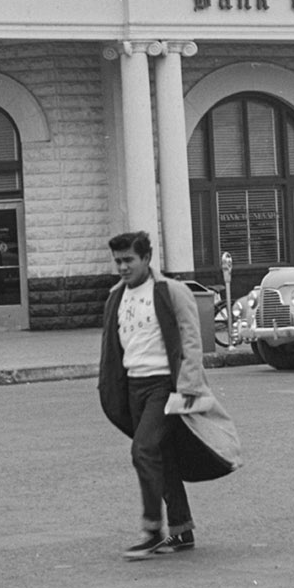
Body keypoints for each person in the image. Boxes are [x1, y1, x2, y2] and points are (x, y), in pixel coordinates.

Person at [97, 230, 214, 559]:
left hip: (163, 384)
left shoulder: (169, 291)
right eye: (118, 261)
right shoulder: (115, 296)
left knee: (143, 451)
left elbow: (191, 339)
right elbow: (112, 347)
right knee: (162, 456)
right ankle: (182, 530)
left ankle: (152, 530)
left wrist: (189, 385)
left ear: (147, 259)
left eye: (128, 260)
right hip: (134, 384)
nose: (122, 267)